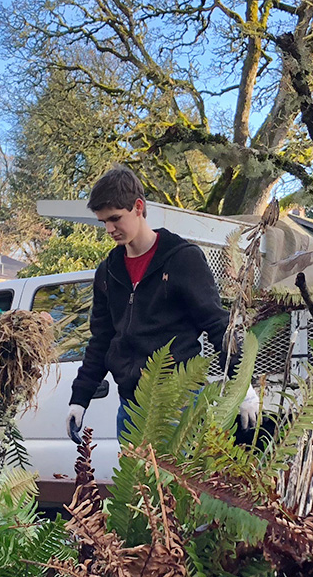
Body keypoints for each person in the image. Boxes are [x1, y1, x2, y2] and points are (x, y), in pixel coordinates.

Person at [66, 166, 258, 441]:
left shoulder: (182, 259)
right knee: (137, 486)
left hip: (178, 404)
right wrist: (79, 399)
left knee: (176, 485)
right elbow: (102, 339)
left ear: (138, 207)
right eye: (103, 222)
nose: (109, 229)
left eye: (115, 218)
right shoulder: (108, 271)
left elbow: (217, 324)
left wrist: (243, 386)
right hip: (131, 408)